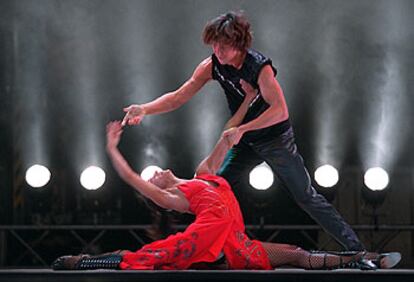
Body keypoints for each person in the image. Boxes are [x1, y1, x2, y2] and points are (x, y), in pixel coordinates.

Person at [121, 11, 365, 251]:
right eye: (214, 45)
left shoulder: (259, 67)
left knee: (305, 196)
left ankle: (356, 249)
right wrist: (144, 109)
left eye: (223, 46)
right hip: (245, 140)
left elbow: (280, 111)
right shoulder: (212, 65)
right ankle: (213, 251)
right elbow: (178, 97)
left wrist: (243, 128)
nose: (218, 51)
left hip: (274, 139)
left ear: (239, 45)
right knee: (211, 193)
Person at [52, 116, 400, 270]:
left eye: (155, 172)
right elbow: (131, 177)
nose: (154, 173)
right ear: (157, 190)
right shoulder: (175, 198)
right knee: (149, 258)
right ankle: (85, 261)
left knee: (295, 253)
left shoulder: (203, 173)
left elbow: (226, 135)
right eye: (153, 179)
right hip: (208, 237)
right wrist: (112, 148)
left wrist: (248, 100)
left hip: (235, 241)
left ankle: (364, 259)